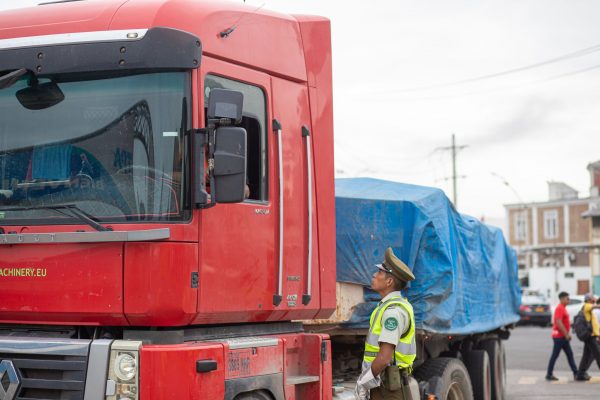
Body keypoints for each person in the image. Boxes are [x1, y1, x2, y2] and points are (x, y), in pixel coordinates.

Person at [355, 247, 416, 400]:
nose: (374, 275)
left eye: (380, 273)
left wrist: (363, 382)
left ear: (389, 281)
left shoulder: (393, 313)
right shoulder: (389, 307)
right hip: (385, 385)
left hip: (389, 390)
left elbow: (384, 358)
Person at [545, 292, 578, 381]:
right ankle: (549, 374)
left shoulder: (563, 308)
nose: (569, 300)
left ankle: (575, 373)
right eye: (567, 299)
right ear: (562, 299)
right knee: (555, 355)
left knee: (569, 355)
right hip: (559, 337)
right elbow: (558, 322)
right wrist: (566, 334)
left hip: (562, 337)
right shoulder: (559, 308)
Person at [576, 293, 600, 381]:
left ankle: (580, 374)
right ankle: (580, 374)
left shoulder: (589, 308)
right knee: (598, 354)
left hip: (591, 335)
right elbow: (595, 306)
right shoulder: (587, 306)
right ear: (589, 299)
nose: (594, 299)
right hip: (590, 336)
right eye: (593, 298)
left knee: (586, 356)